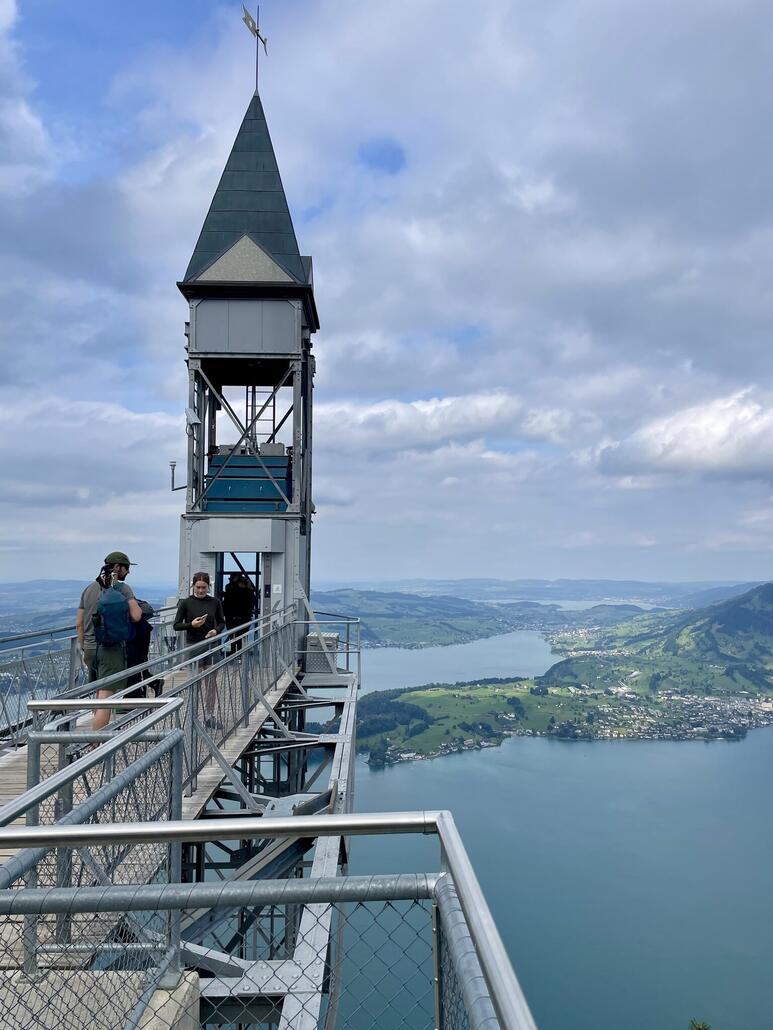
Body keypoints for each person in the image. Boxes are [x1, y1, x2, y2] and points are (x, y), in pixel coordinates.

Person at [75, 551, 142, 730]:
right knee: (106, 697)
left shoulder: (89, 589)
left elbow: (79, 624)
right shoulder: (122, 589)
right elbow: (136, 616)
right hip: (111, 649)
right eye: (126, 568)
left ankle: (95, 738)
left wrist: (83, 647)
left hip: (89, 649)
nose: (128, 572)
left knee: (98, 693)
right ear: (118, 568)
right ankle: (96, 745)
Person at [174, 572, 225, 727]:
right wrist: (191, 625)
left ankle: (209, 716)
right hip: (193, 646)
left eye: (204, 587)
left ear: (208, 586)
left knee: (210, 684)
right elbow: (176, 625)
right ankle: (193, 716)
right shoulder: (186, 603)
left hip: (211, 645)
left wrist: (216, 631)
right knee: (194, 683)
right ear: (193, 586)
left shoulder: (215, 602)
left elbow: (222, 622)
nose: (201, 591)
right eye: (198, 587)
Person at [126, 600, 163, 697]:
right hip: (142, 633)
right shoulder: (131, 600)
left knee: (134, 665)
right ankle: (151, 684)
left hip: (135, 636)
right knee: (141, 663)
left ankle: (137, 693)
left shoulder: (124, 602)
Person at [222, 573, 256, 650]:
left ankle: (236, 654)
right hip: (237, 617)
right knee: (238, 638)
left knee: (237, 638)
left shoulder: (232, 588)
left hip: (237, 618)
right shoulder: (232, 588)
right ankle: (238, 655)